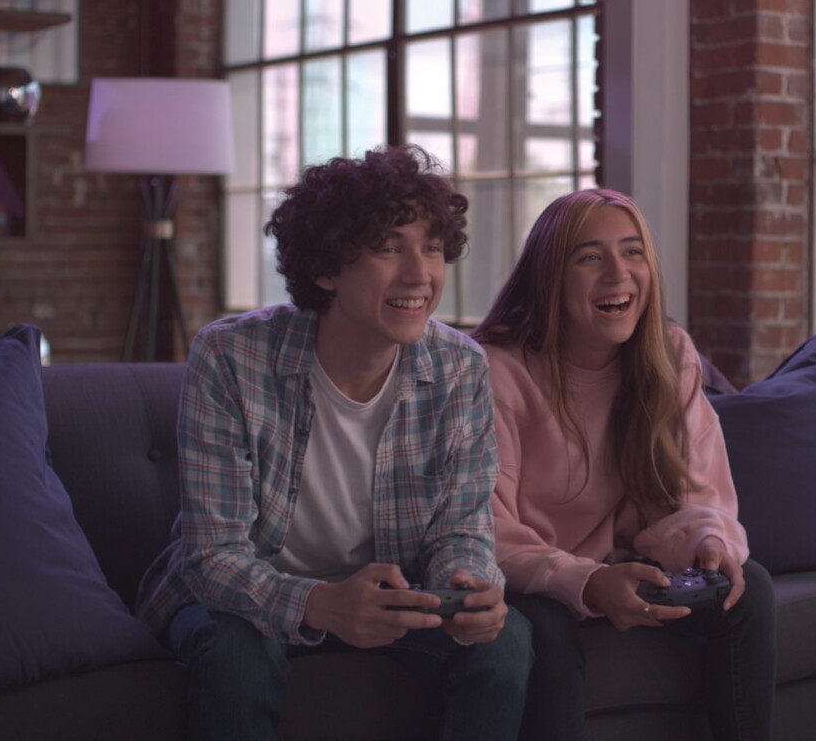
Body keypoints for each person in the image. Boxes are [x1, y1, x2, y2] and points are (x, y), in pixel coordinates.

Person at [136, 144, 532, 741]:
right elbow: (212, 557)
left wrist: (469, 589)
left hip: (388, 605)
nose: (419, 274)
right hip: (242, 601)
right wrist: (322, 604)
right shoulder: (230, 357)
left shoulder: (460, 367)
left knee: (508, 640)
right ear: (326, 269)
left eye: (430, 247)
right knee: (237, 649)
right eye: (388, 247)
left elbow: (461, 531)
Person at [472, 188, 776, 740]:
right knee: (547, 632)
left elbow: (697, 491)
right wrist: (588, 583)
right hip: (528, 575)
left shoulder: (669, 353)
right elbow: (486, 530)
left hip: (629, 560)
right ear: (550, 278)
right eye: (590, 257)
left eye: (633, 252)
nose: (618, 273)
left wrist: (710, 543)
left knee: (746, 587)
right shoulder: (496, 371)